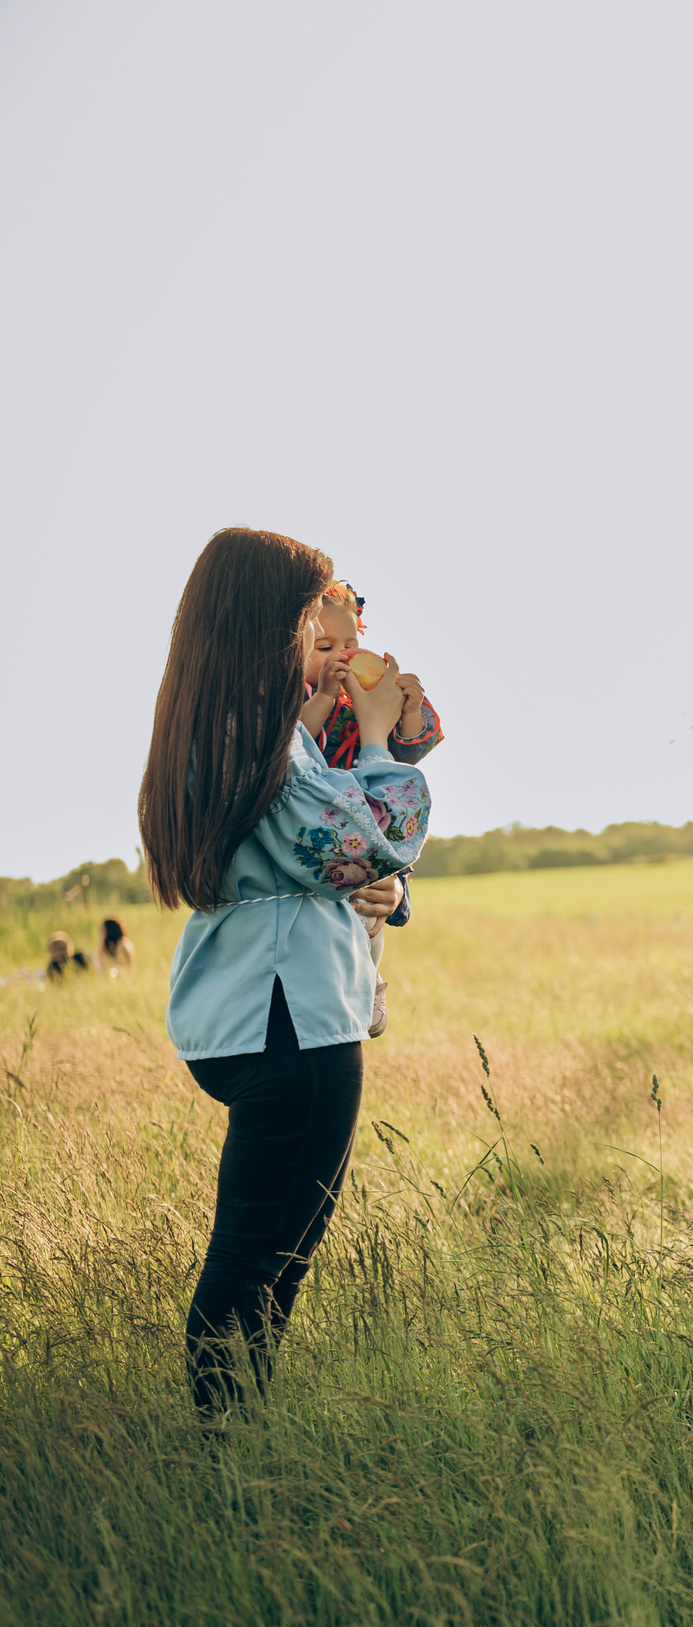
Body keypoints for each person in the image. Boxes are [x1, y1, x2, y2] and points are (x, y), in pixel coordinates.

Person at [140, 527, 430, 1416]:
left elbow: (345, 870)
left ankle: (233, 1435)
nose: (320, 638)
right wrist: (380, 742)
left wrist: (386, 893)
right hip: (291, 1019)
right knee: (262, 1262)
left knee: (261, 1254)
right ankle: (226, 1456)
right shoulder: (261, 741)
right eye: (308, 617)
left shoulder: (220, 726)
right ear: (267, 622)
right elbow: (375, 841)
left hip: (240, 1004)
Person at [298, 579, 440, 1038]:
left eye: (351, 642)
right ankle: (357, 978)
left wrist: (409, 708)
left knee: (372, 905)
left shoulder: (363, 695)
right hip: (326, 820)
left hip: (369, 819)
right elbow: (295, 745)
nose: (342, 655)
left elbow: (405, 756)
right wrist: (322, 696)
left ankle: (370, 980)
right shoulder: (298, 698)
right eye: (325, 646)